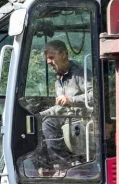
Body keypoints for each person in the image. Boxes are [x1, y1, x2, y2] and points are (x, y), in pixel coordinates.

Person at [38, 39, 91, 171]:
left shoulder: (80, 73)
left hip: (83, 118)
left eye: (51, 57)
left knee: (49, 124)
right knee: (35, 123)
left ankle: (64, 166)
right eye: (47, 58)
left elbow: (95, 96)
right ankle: (45, 167)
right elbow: (59, 108)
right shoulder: (59, 80)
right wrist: (38, 115)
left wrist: (71, 99)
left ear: (63, 54)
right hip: (67, 117)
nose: (48, 62)